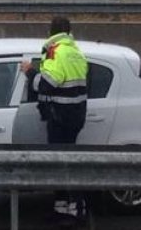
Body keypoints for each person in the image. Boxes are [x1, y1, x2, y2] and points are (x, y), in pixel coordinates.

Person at [21, 16, 88, 225]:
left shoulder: (55, 52)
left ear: (51, 32)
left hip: (60, 115)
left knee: (63, 164)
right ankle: (63, 209)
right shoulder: (76, 52)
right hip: (76, 114)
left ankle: (74, 211)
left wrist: (30, 71)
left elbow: (49, 83)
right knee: (66, 162)